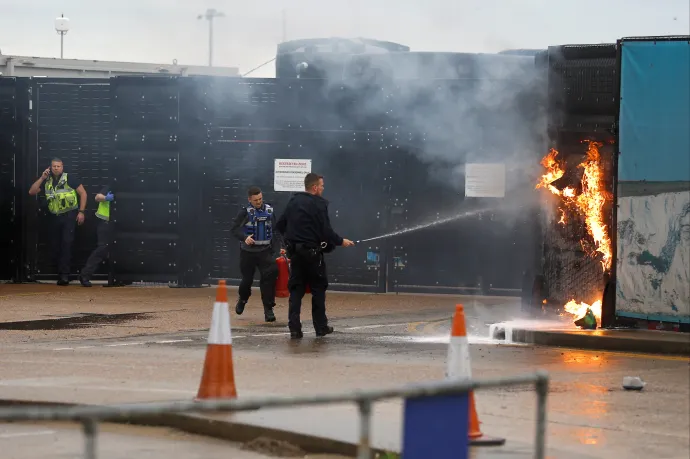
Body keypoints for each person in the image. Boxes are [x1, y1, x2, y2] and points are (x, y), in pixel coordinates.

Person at [275, 173, 355, 339]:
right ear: (314, 187)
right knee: (318, 289)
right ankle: (320, 327)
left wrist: (288, 242)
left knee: (296, 290)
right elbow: (326, 231)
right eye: (322, 185)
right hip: (313, 255)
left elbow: (280, 225)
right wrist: (341, 241)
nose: (323, 189)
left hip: (295, 254)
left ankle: (295, 328)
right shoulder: (319, 204)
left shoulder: (293, 201)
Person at [28, 158, 87, 286]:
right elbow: (32, 191)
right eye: (54, 166)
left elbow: (83, 193)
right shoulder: (47, 181)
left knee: (66, 244)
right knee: (55, 246)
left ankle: (64, 276)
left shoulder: (70, 178)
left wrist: (81, 212)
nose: (56, 168)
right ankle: (59, 272)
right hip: (54, 217)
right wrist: (42, 178)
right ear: (50, 167)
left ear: (62, 167)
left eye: (58, 166)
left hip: (69, 216)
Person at [230, 186, 284, 322]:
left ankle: (268, 309)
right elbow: (234, 229)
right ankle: (242, 299)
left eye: (260, 199)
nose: (259, 202)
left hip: (265, 251)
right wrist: (244, 238)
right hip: (248, 252)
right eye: (256, 200)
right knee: (247, 280)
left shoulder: (270, 211)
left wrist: (282, 246)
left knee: (269, 279)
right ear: (250, 200)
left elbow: (276, 231)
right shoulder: (244, 212)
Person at [79, 184, 115, 287]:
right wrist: (106, 198)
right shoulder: (111, 186)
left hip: (117, 225)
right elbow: (97, 197)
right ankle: (85, 275)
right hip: (105, 223)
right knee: (102, 249)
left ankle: (116, 278)